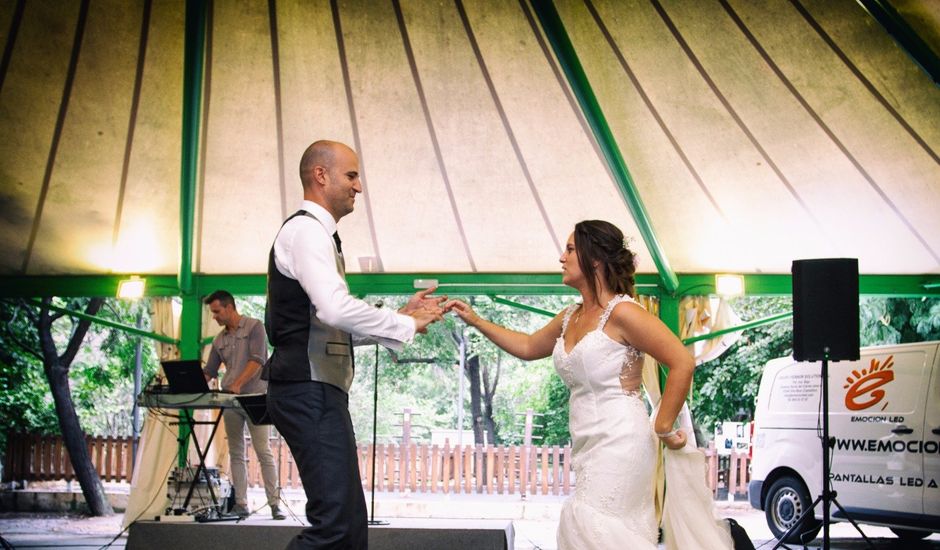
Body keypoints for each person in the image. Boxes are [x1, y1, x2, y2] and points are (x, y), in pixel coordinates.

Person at [445, 220, 733, 550]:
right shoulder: (570, 316)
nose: (561, 258)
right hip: (586, 441)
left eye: (569, 249)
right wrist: (476, 320)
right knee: (589, 527)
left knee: (592, 525)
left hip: (623, 440)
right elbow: (526, 347)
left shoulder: (623, 312)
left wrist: (664, 424)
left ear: (594, 258)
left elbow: (681, 361)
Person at [264, 140, 444, 549]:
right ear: (320, 175)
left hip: (315, 390)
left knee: (347, 524)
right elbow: (334, 310)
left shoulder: (319, 236)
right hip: (306, 390)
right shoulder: (306, 231)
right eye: (351, 175)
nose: (359, 187)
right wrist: (402, 322)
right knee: (337, 527)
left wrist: (403, 319)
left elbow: (327, 326)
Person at [202, 289, 285, 520]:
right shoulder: (219, 339)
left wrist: (238, 383)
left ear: (229, 307)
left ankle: (275, 504)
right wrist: (189, 382)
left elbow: (258, 360)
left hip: (257, 398)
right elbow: (209, 371)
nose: (214, 317)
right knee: (235, 452)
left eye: (217, 311)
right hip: (231, 401)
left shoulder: (254, 327)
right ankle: (241, 503)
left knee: (263, 451)